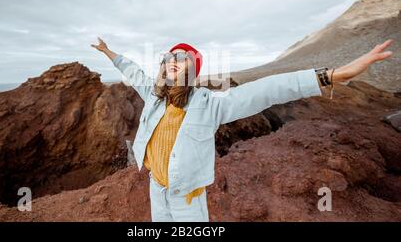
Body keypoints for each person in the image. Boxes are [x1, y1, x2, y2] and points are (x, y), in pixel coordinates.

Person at [91, 38, 393, 222]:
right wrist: (109, 53)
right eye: (169, 58)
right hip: (157, 189)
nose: (173, 62)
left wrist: (333, 76)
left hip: (187, 199)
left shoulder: (209, 105)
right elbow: (133, 71)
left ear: (192, 69)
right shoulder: (155, 97)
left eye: (182, 59)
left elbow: (266, 90)